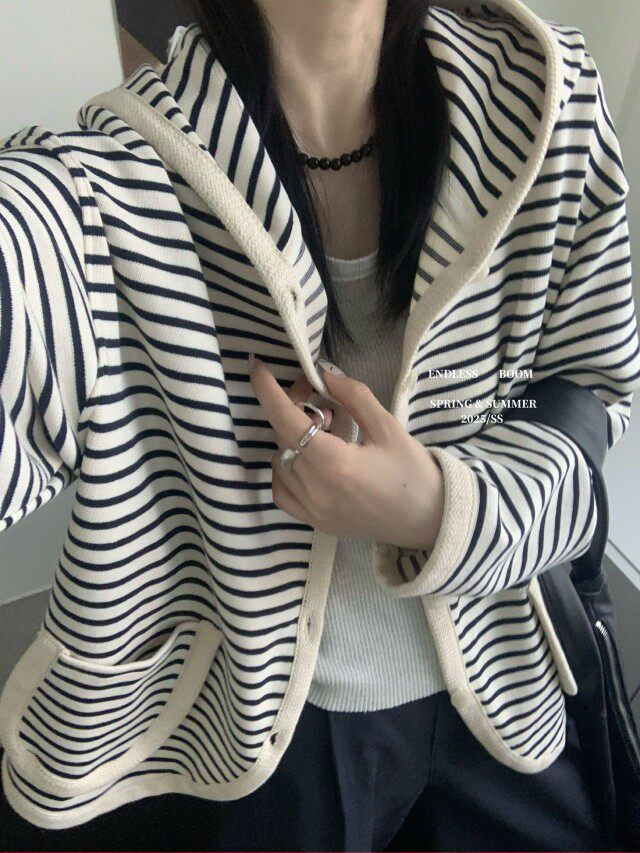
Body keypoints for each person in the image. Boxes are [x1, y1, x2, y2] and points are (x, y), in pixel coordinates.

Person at [0, 0, 638, 850]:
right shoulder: (99, 187)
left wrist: (437, 510)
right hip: (260, 730)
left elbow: (587, 392)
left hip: (509, 681)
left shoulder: (550, 99)